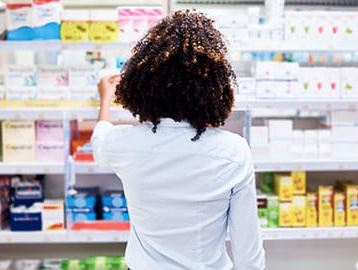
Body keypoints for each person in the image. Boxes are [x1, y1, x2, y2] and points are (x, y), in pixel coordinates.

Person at [91, 9, 265, 270]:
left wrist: (105, 98)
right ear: (214, 87)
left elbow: (99, 138)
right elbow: (248, 255)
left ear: (144, 83)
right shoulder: (233, 152)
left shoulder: (124, 144)